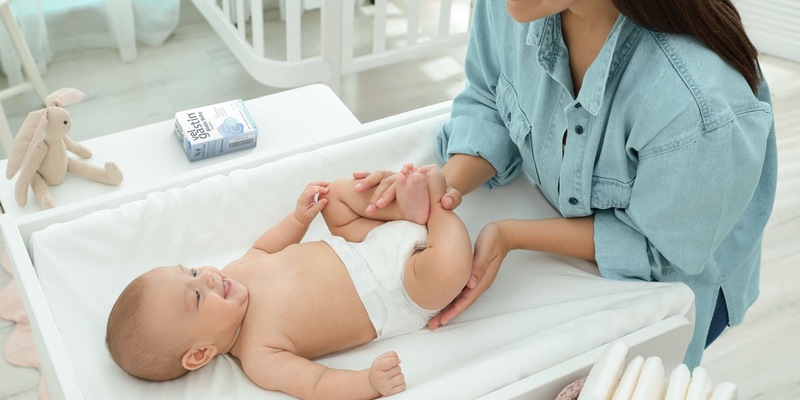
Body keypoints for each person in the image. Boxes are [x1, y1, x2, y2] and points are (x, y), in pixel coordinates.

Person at [353, 0, 777, 369]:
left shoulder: (697, 103)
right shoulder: (517, 9)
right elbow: (491, 99)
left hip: (678, 277)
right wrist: (445, 184)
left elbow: (659, 249)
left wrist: (511, 234)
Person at [105, 164, 472, 399]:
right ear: (200, 354)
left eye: (193, 272)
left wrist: (299, 218)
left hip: (359, 240)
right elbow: (317, 383)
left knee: (337, 195)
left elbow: (267, 246)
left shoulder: (235, 271)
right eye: (198, 297)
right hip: (400, 290)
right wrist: (368, 383)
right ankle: (437, 208)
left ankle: (408, 213)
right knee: (449, 268)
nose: (210, 278)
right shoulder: (258, 355)